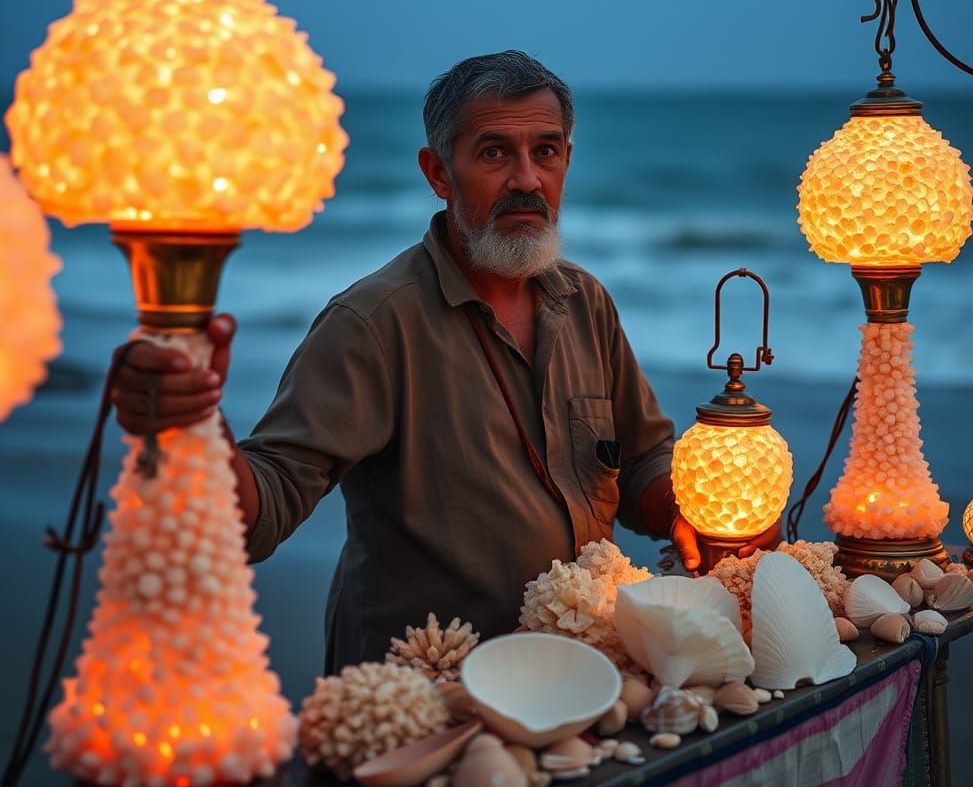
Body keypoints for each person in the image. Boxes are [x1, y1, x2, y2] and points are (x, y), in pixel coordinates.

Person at [110, 50, 733, 671]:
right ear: (438, 173)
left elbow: (643, 459)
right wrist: (195, 427)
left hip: (586, 676)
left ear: (567, 158)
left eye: (545, 151)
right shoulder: (373, 324)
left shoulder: (585, 302)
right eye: (494, 153)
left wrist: (698, 514)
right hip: (420, 699)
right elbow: (259, 515)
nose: (526, 179)